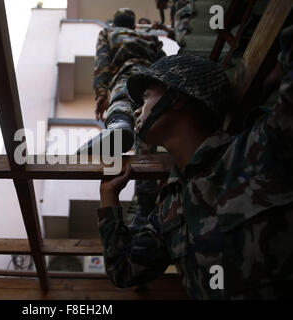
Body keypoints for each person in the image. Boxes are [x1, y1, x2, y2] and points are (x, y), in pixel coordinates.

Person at [97, 26, 293, 299]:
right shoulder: (170, 208)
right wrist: (109, 198)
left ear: (177, 98)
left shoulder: (260, 146)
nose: (139, 110)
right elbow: (124, 270)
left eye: (146, 97)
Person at [77, 8, 165, 155]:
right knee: (147, 118)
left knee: (123, 100)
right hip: (152, 79)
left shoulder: (108, 33)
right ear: (134, 26)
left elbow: (102, 63)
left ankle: (120, 124)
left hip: (127, 73)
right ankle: (146, 170)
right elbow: (163, 60)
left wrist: (101, 94)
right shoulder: (150, 37)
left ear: (114, 23)